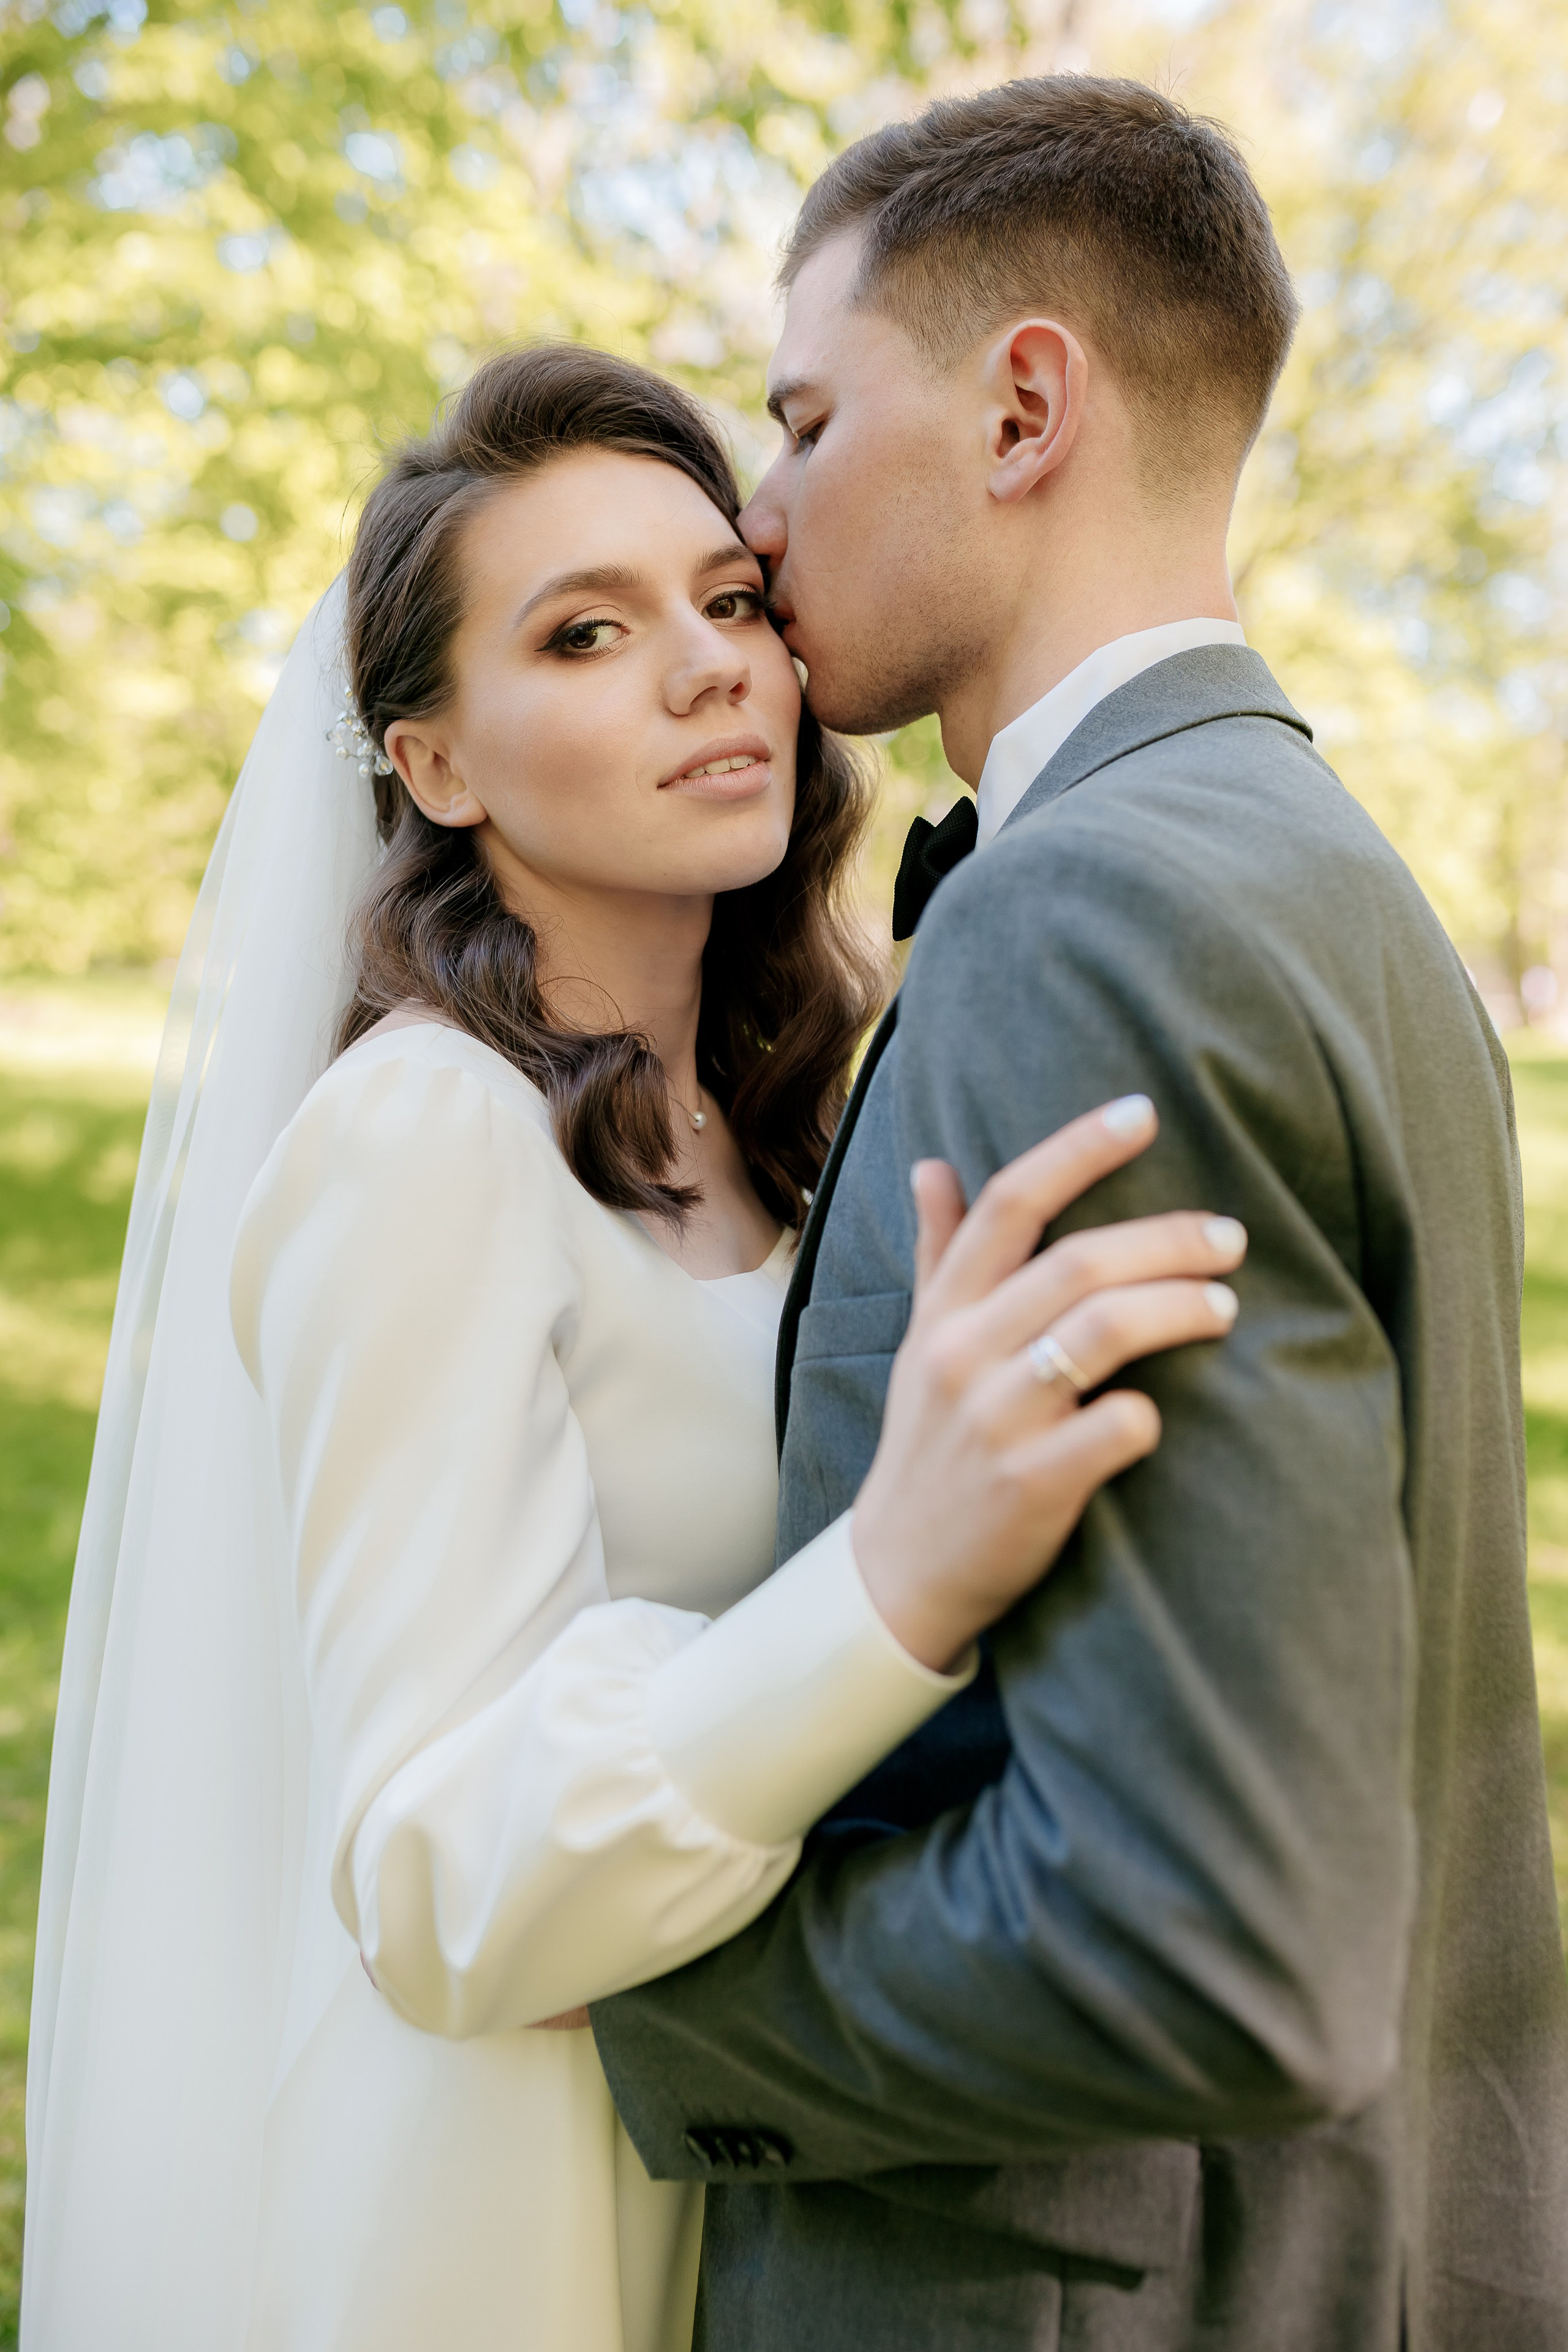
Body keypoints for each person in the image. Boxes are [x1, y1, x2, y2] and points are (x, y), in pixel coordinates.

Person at [21, 344, 1245, 2349]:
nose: (708, 670)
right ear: (436, 764)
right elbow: (430, 1870)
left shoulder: (780, 1131)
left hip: (760, 2166)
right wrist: (892, 1584)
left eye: (729, 601)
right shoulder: (426, 1138)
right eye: (584, 634)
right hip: (504, 2220)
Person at [588, 75, 1568, 2351]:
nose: (759, 510)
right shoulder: (1340, 882)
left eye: (808, 418)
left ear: (1028, 406)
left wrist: (642, 1996)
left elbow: (1206, 1934)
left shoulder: (1090, 917)